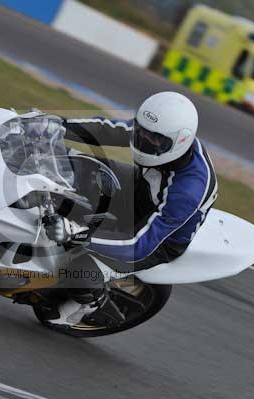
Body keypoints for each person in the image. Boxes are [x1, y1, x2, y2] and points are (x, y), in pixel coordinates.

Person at [43, 91, 218, 326]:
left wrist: (79, 234)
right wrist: (58, 125)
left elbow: (140, 245)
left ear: (180, 142)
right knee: (79, 164)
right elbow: (109, 129)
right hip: (140, 191)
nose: (145, 140)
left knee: (77, 262)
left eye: (155, 140)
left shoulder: (188, 189)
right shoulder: (158, 132)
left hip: (158, 239)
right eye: (142, 132)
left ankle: (92, 303)